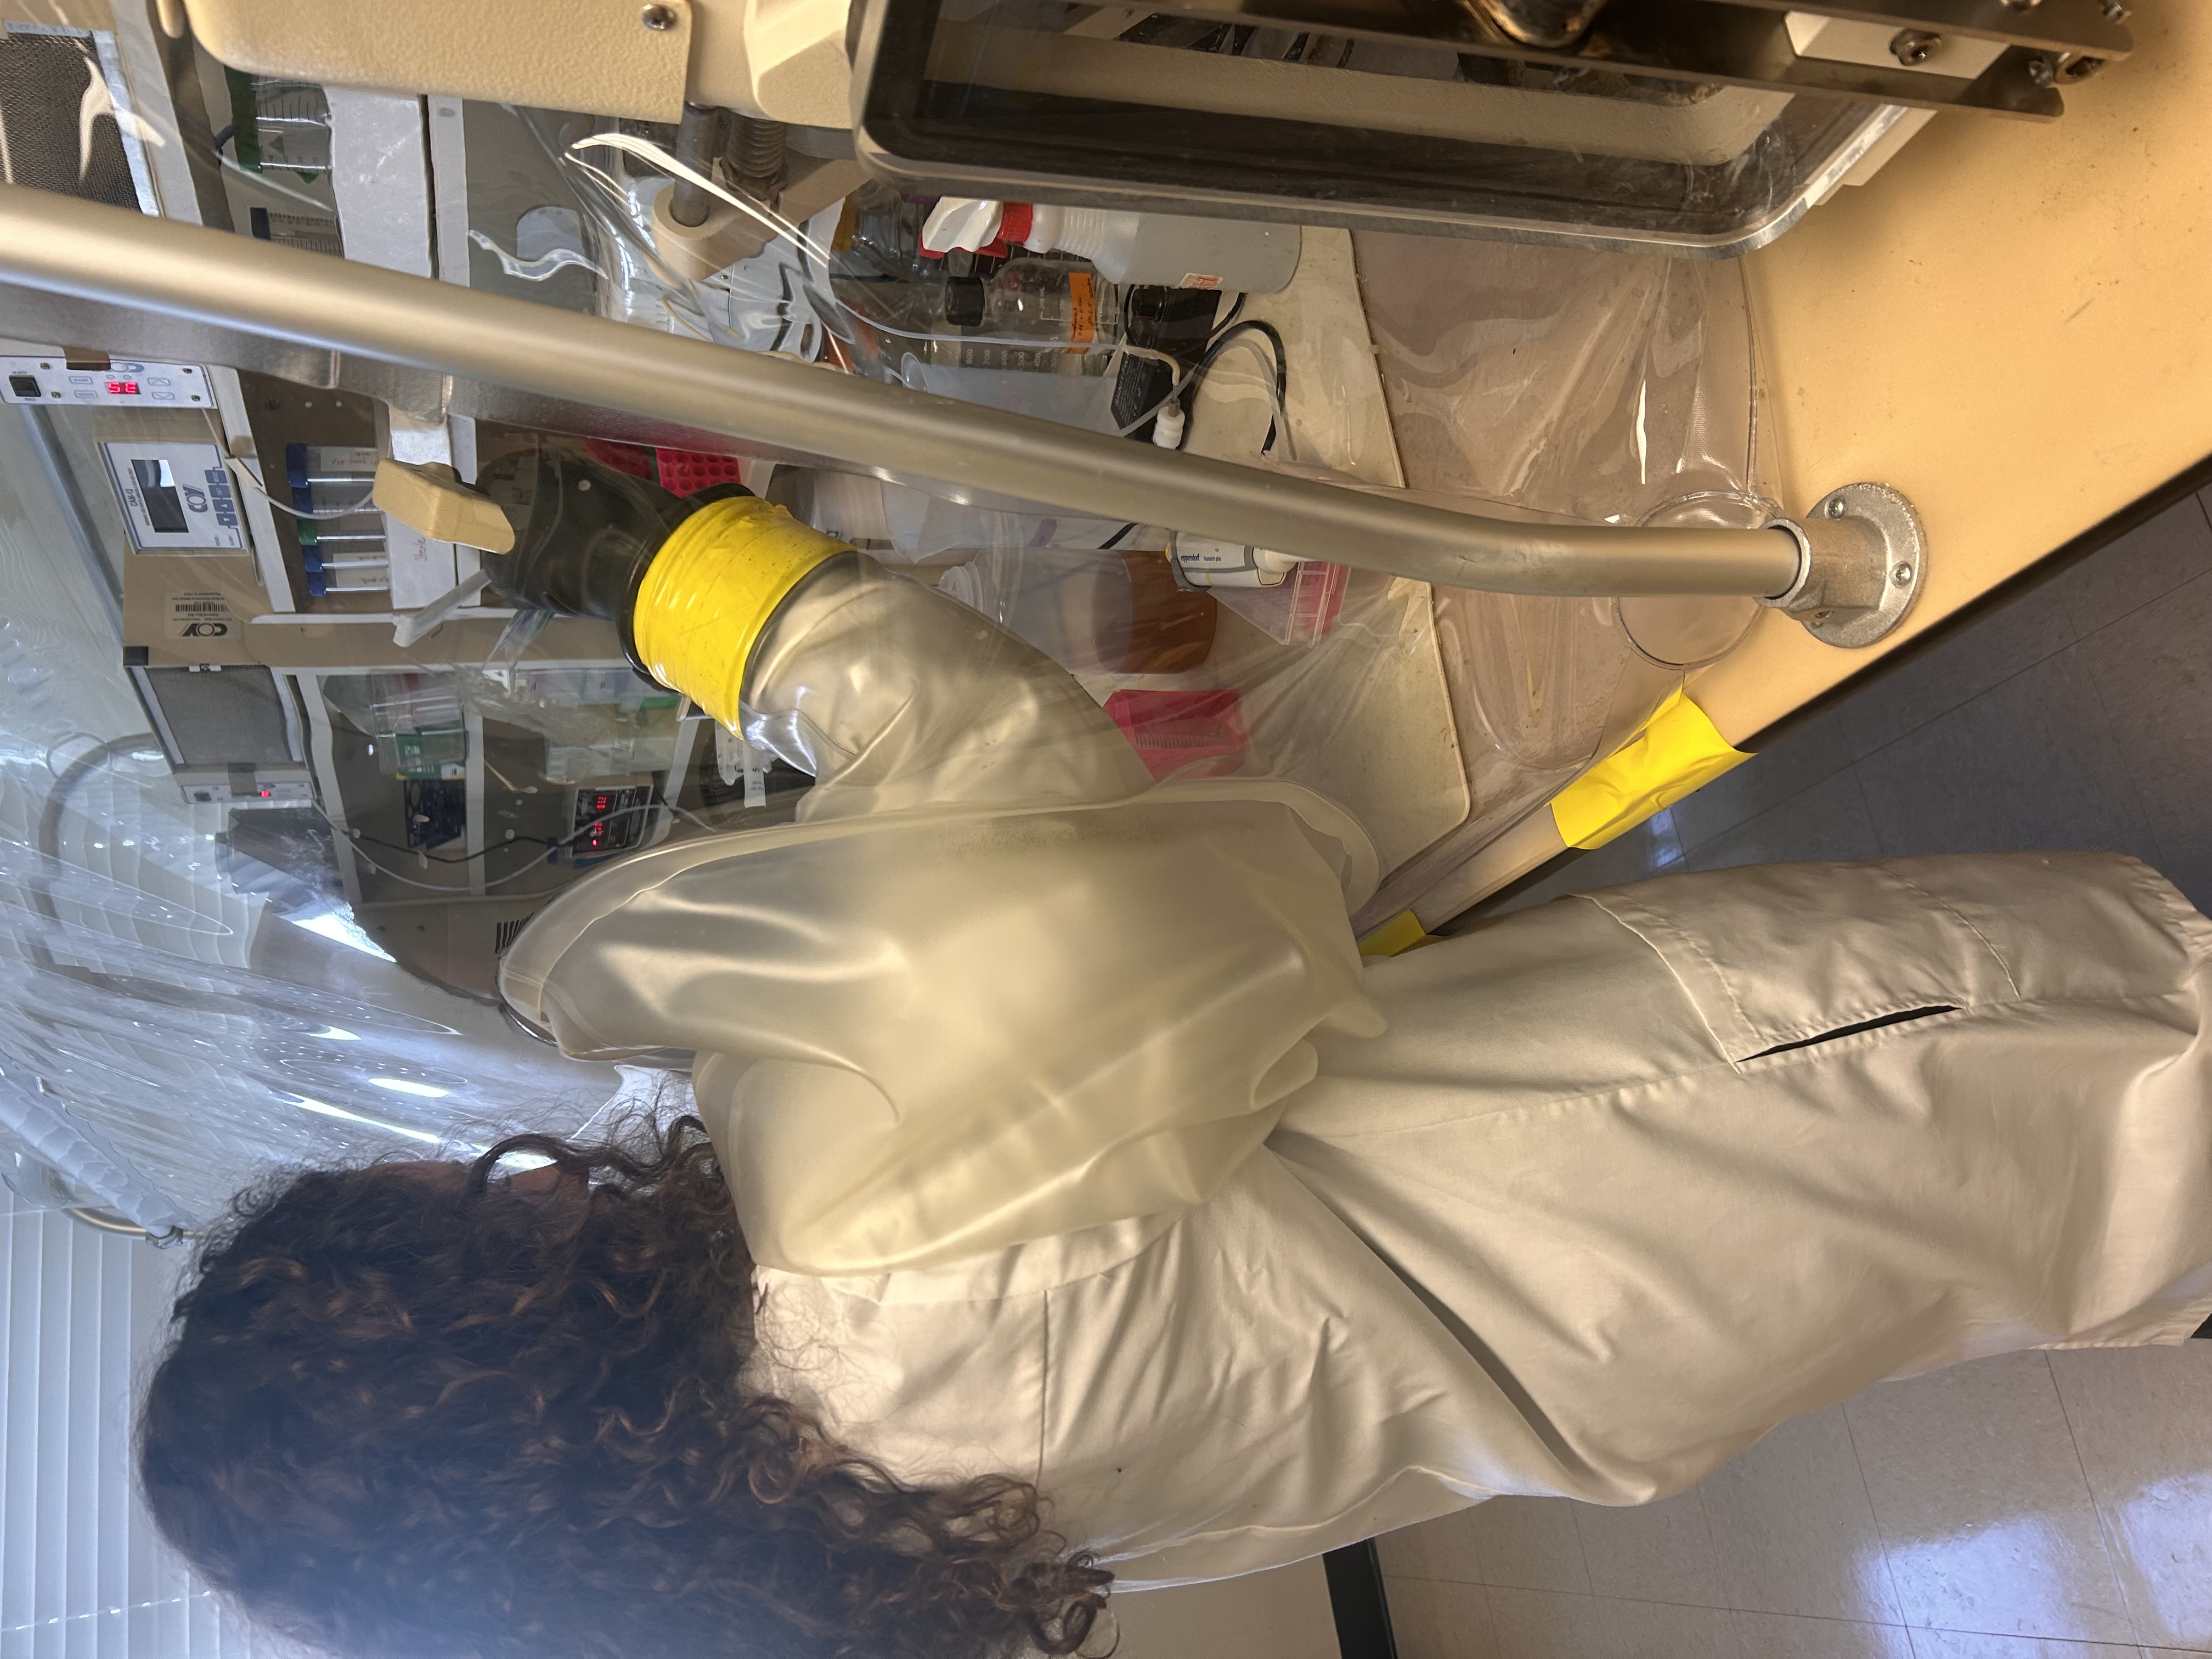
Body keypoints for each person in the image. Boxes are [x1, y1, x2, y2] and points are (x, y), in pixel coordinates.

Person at [140, 476, 2212, 1659]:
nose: (524, 1182)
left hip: (1645, 1340)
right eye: (467, 1217)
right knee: (2138, 1066)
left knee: (2098, 1223)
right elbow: (1005, 781)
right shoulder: (850, 1238)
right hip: (1757, 1113)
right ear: (484, 1338)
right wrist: (689, 579)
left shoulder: (839, 1539)